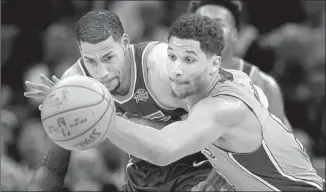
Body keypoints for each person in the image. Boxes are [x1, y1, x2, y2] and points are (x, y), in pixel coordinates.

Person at [106, 13, 325, 191]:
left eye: (189, 59)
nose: (177, 70)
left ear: (213, 64)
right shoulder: (230, 81)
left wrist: (103, 120)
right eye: (172, 57)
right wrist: (225, 171)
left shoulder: (221, 108)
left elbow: (164, 150)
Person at [24, 10, 213, 191]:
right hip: (144, 173)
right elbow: (53, 167)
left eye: (108, 57)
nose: (102, 72)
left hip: (199, 164)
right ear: (80, 51)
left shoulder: (163, 68)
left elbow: (225, 120)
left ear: (124, 43)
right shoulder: (75, 84)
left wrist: (221, 177)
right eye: (90, 60)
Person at [188, 0, 292, 130]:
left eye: (218, 24)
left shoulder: (264, 85)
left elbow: (281, 146)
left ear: (235, 33)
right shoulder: (169, 80)